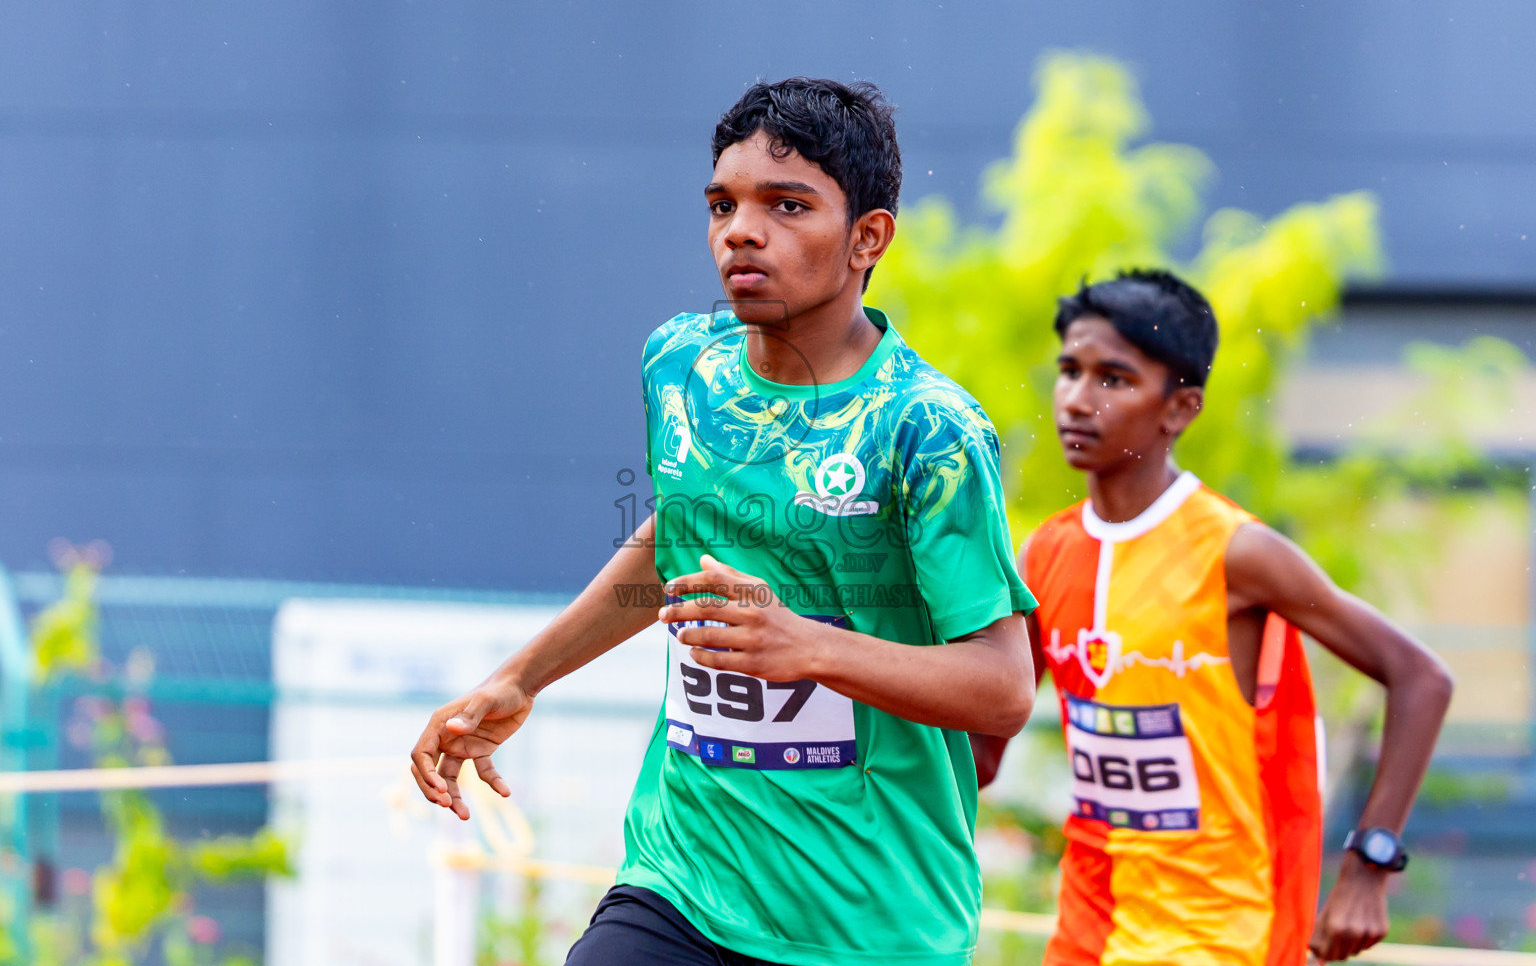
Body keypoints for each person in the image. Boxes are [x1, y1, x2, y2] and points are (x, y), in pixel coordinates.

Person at [410, 77, 1038, 966]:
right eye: (722, 204)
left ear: (868, 237)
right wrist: (522, 677)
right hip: (685, 879)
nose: (741, 230)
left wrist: (810, 648)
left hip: (866, 919)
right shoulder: (681, 363)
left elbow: (1003, 687)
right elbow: (677, 539)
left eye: (788, 205)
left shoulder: (929, 430)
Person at [970, 270, 1454, 965]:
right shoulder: (1045, 552)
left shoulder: (1237, 552)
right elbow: (985, 748)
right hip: (1086, 935)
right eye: (1069, 371)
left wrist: (1368, 866)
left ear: (1179, 409)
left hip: (1225, 935)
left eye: (1113, 379)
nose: (1077, 399)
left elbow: (1421, 677)